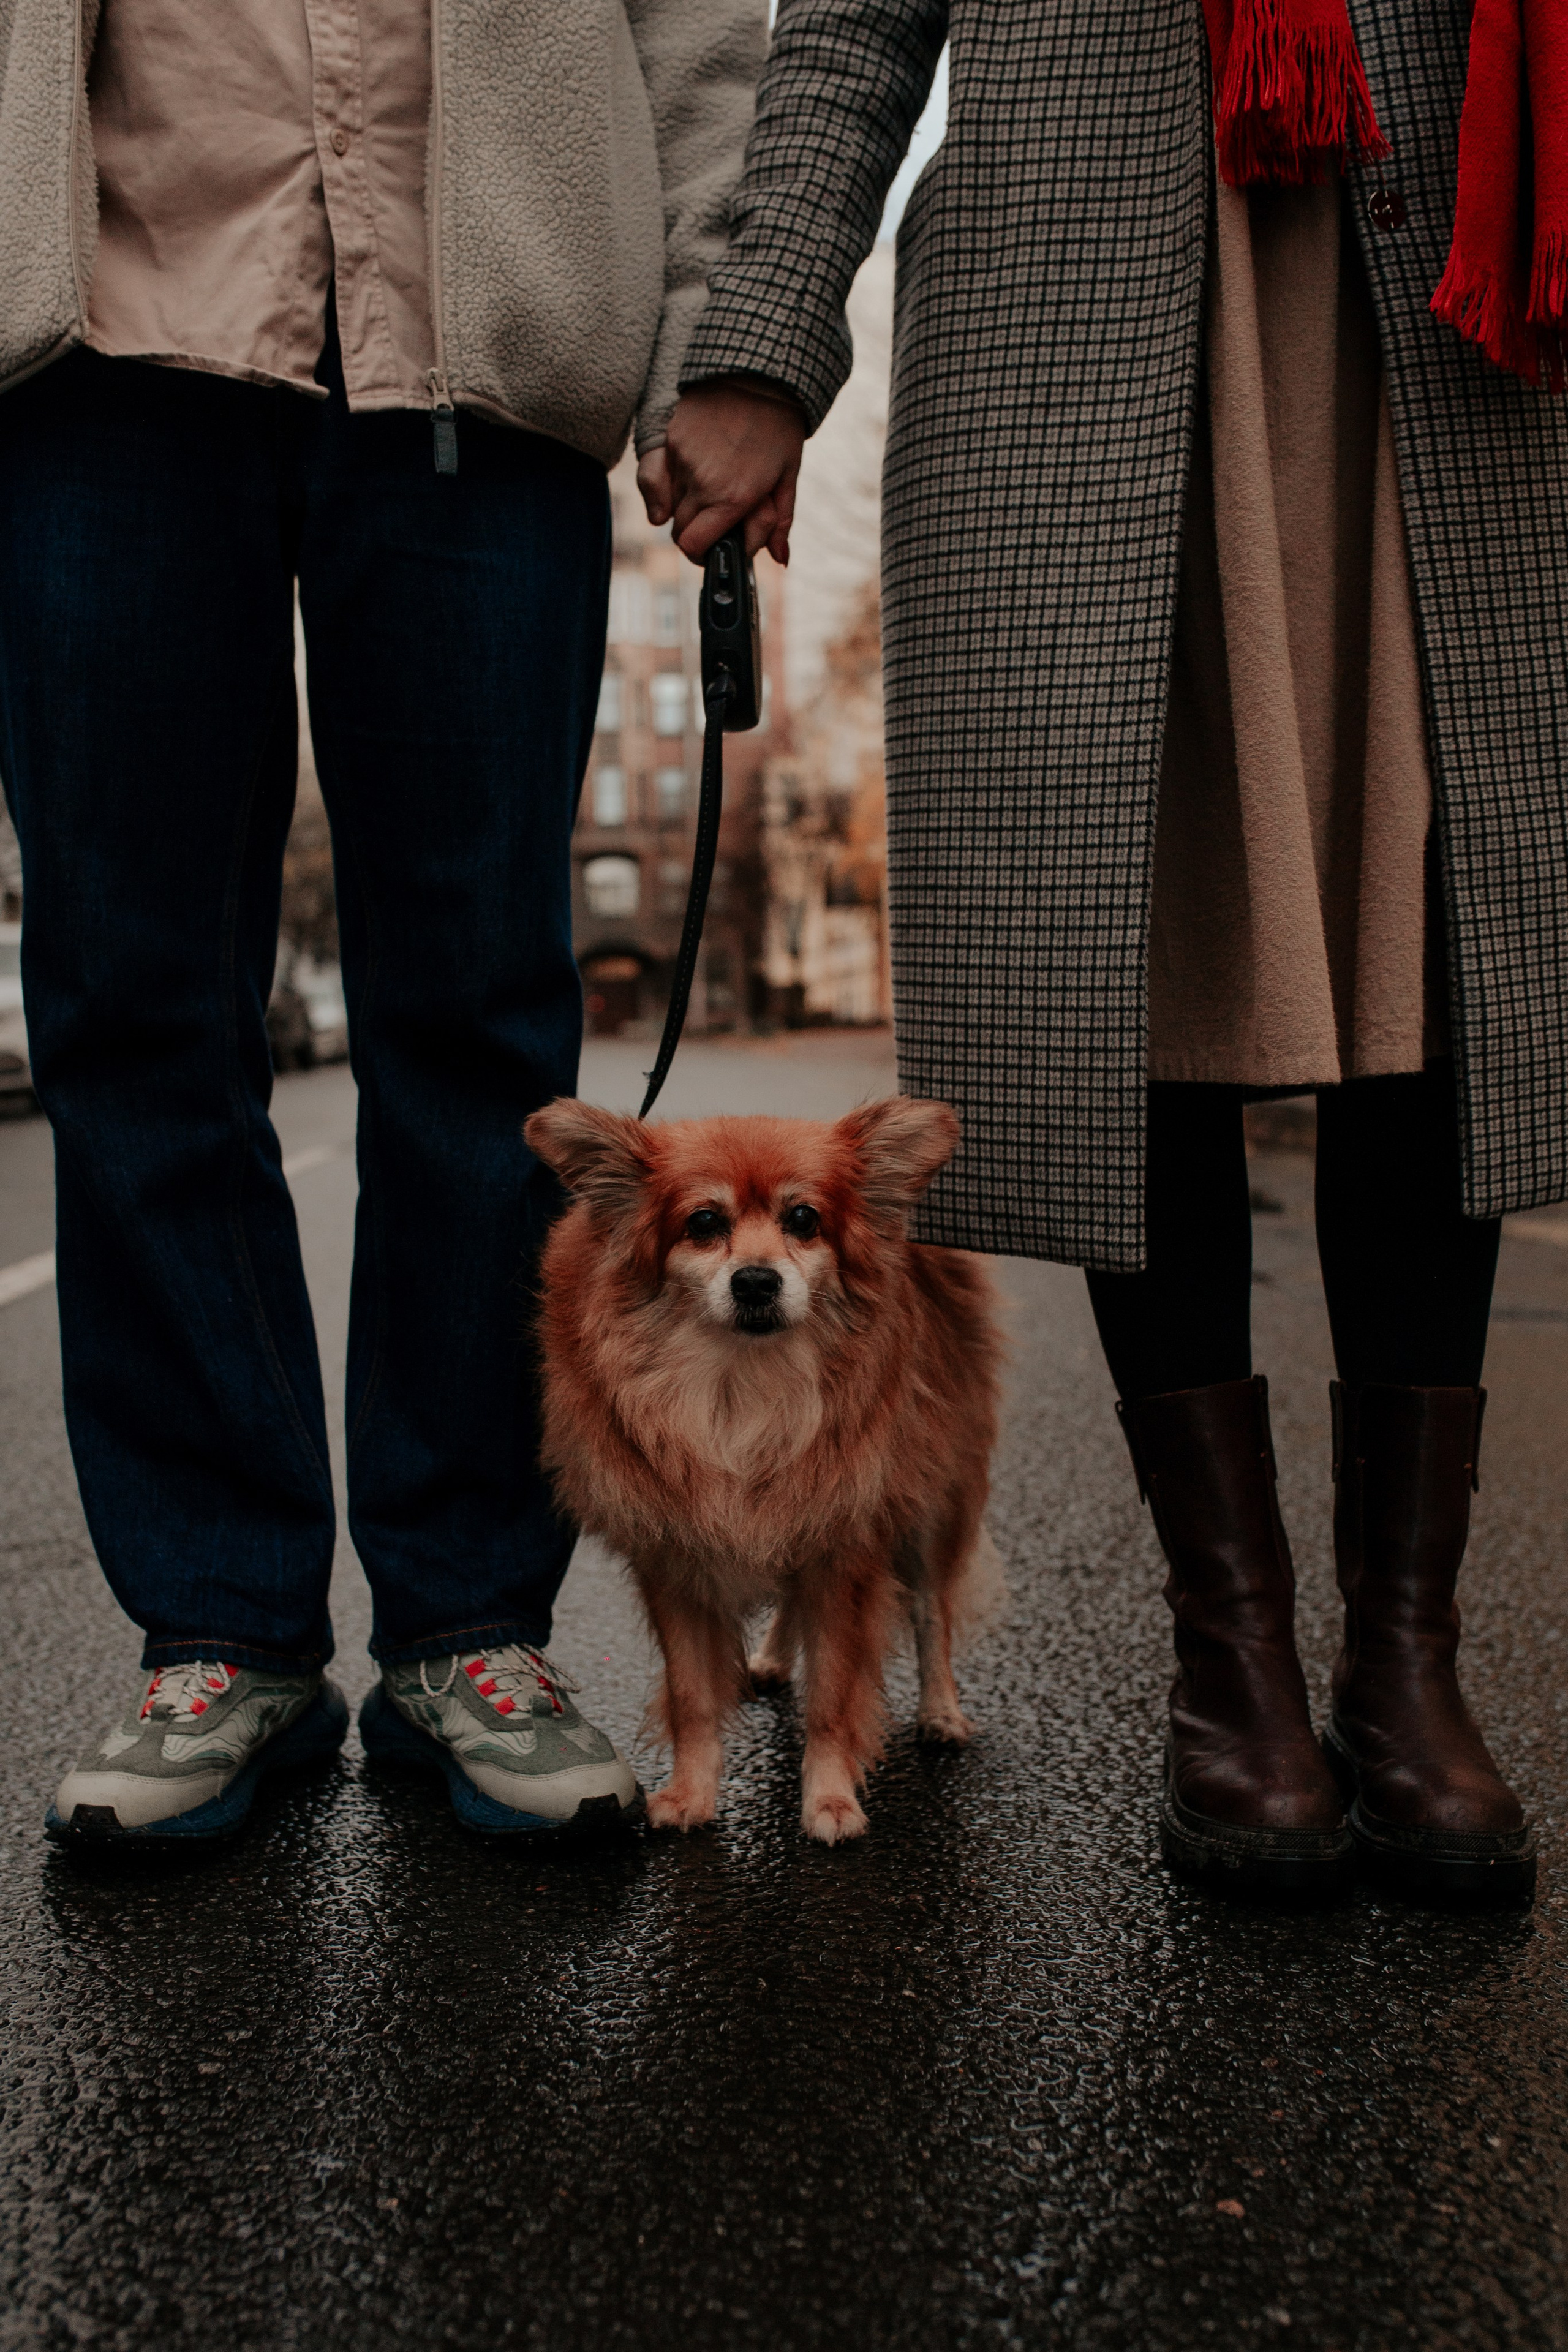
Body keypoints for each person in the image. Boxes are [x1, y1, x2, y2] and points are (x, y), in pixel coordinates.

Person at [652, 0, 1568, 1905]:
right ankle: (1234, 1659)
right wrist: (759, 345)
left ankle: (1405, 1664)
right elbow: (852, 25)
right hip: (1077, 299)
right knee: (1125, 946)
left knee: (1441, 939)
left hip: (1454, 283)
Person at [2, 0, 766, 1842]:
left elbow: (693, 27)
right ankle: (222, 1632)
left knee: (484, 1024)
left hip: (480, 353)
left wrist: (723, 343)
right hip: (98, 337)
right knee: (129, 1006)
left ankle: (468, 1628)